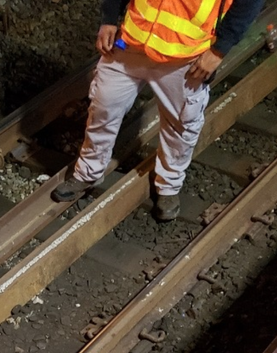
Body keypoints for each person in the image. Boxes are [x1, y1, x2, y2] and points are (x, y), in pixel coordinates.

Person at [51, 0, 263, 221]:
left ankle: (168, 187)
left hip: (186, 56)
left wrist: (219, 51)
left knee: (180, 125)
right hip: (132, 41)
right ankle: (88, 173)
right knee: (103, 107)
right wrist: (109, 19)